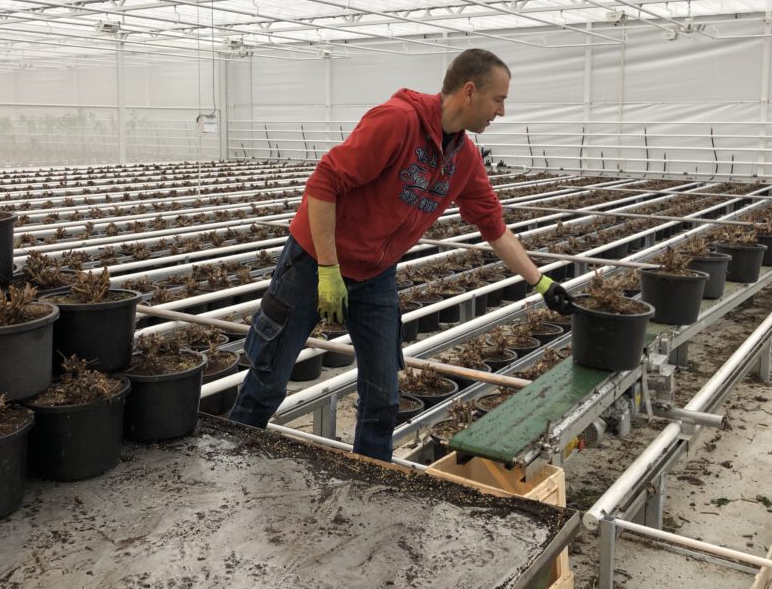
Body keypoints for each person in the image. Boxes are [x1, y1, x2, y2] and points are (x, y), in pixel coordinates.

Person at [228, 48, 574, 462]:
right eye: (498, 99)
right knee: (268, 381)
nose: (501, 111)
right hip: (312, 263)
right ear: (469, 92)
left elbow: (494, 227)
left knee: (383, 398)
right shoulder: (397, 121)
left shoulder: (463, 158)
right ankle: (232, 461)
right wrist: (327, 269)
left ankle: (371, 484)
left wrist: (541, 282)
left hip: (376, 275)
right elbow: (323, 184)